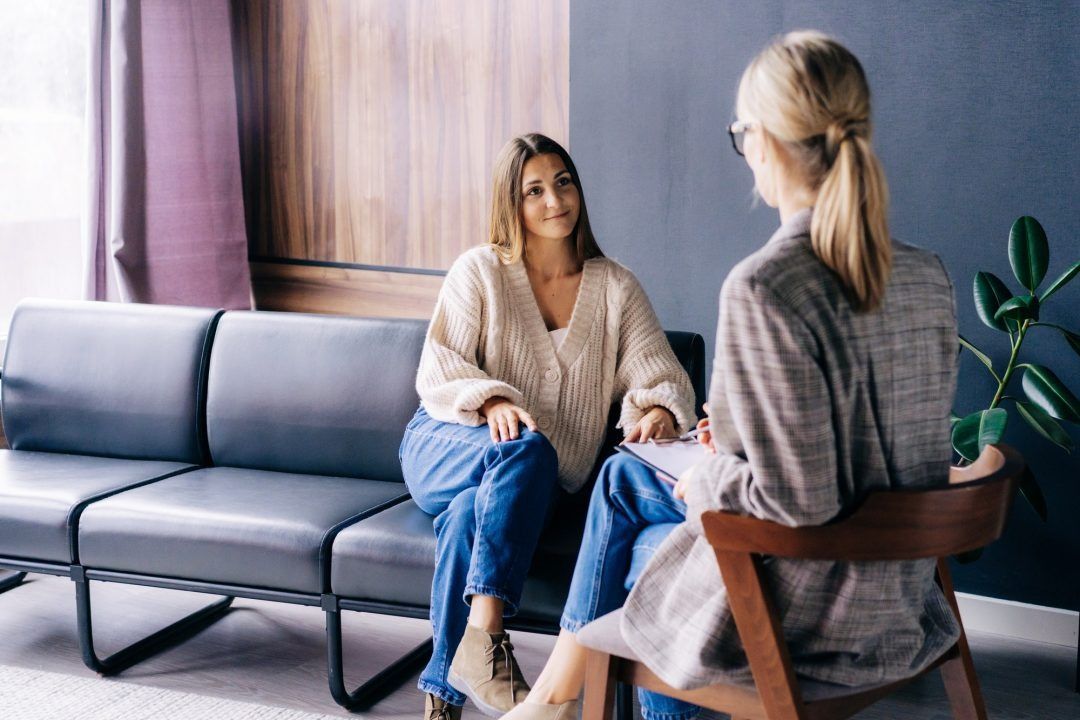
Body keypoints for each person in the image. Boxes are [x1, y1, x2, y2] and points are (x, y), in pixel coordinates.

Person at [503, 31, 961, 720]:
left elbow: (795, 499)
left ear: (768, 143)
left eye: (741, 131)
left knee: (655, 561)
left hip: (817, 608)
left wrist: (710, 476)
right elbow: (869, 447)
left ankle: (557, 695)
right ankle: (553, 695)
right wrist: (735, 443)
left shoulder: (766, 286)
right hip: (898, 598)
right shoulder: (926, 275)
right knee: (625, 474)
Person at [399, 132, 697, 720]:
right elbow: (439, 367)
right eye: (533, 190)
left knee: (471, 513)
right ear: (511, 202)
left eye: (562, 182)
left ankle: (443, 695)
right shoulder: (480, 270)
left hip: (534, 477)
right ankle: (485, 639)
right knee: (526, 449)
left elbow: (659, 372)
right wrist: (490, 403)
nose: (554, 199)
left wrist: (658, 410)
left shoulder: (615, 287)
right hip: (446, 440)